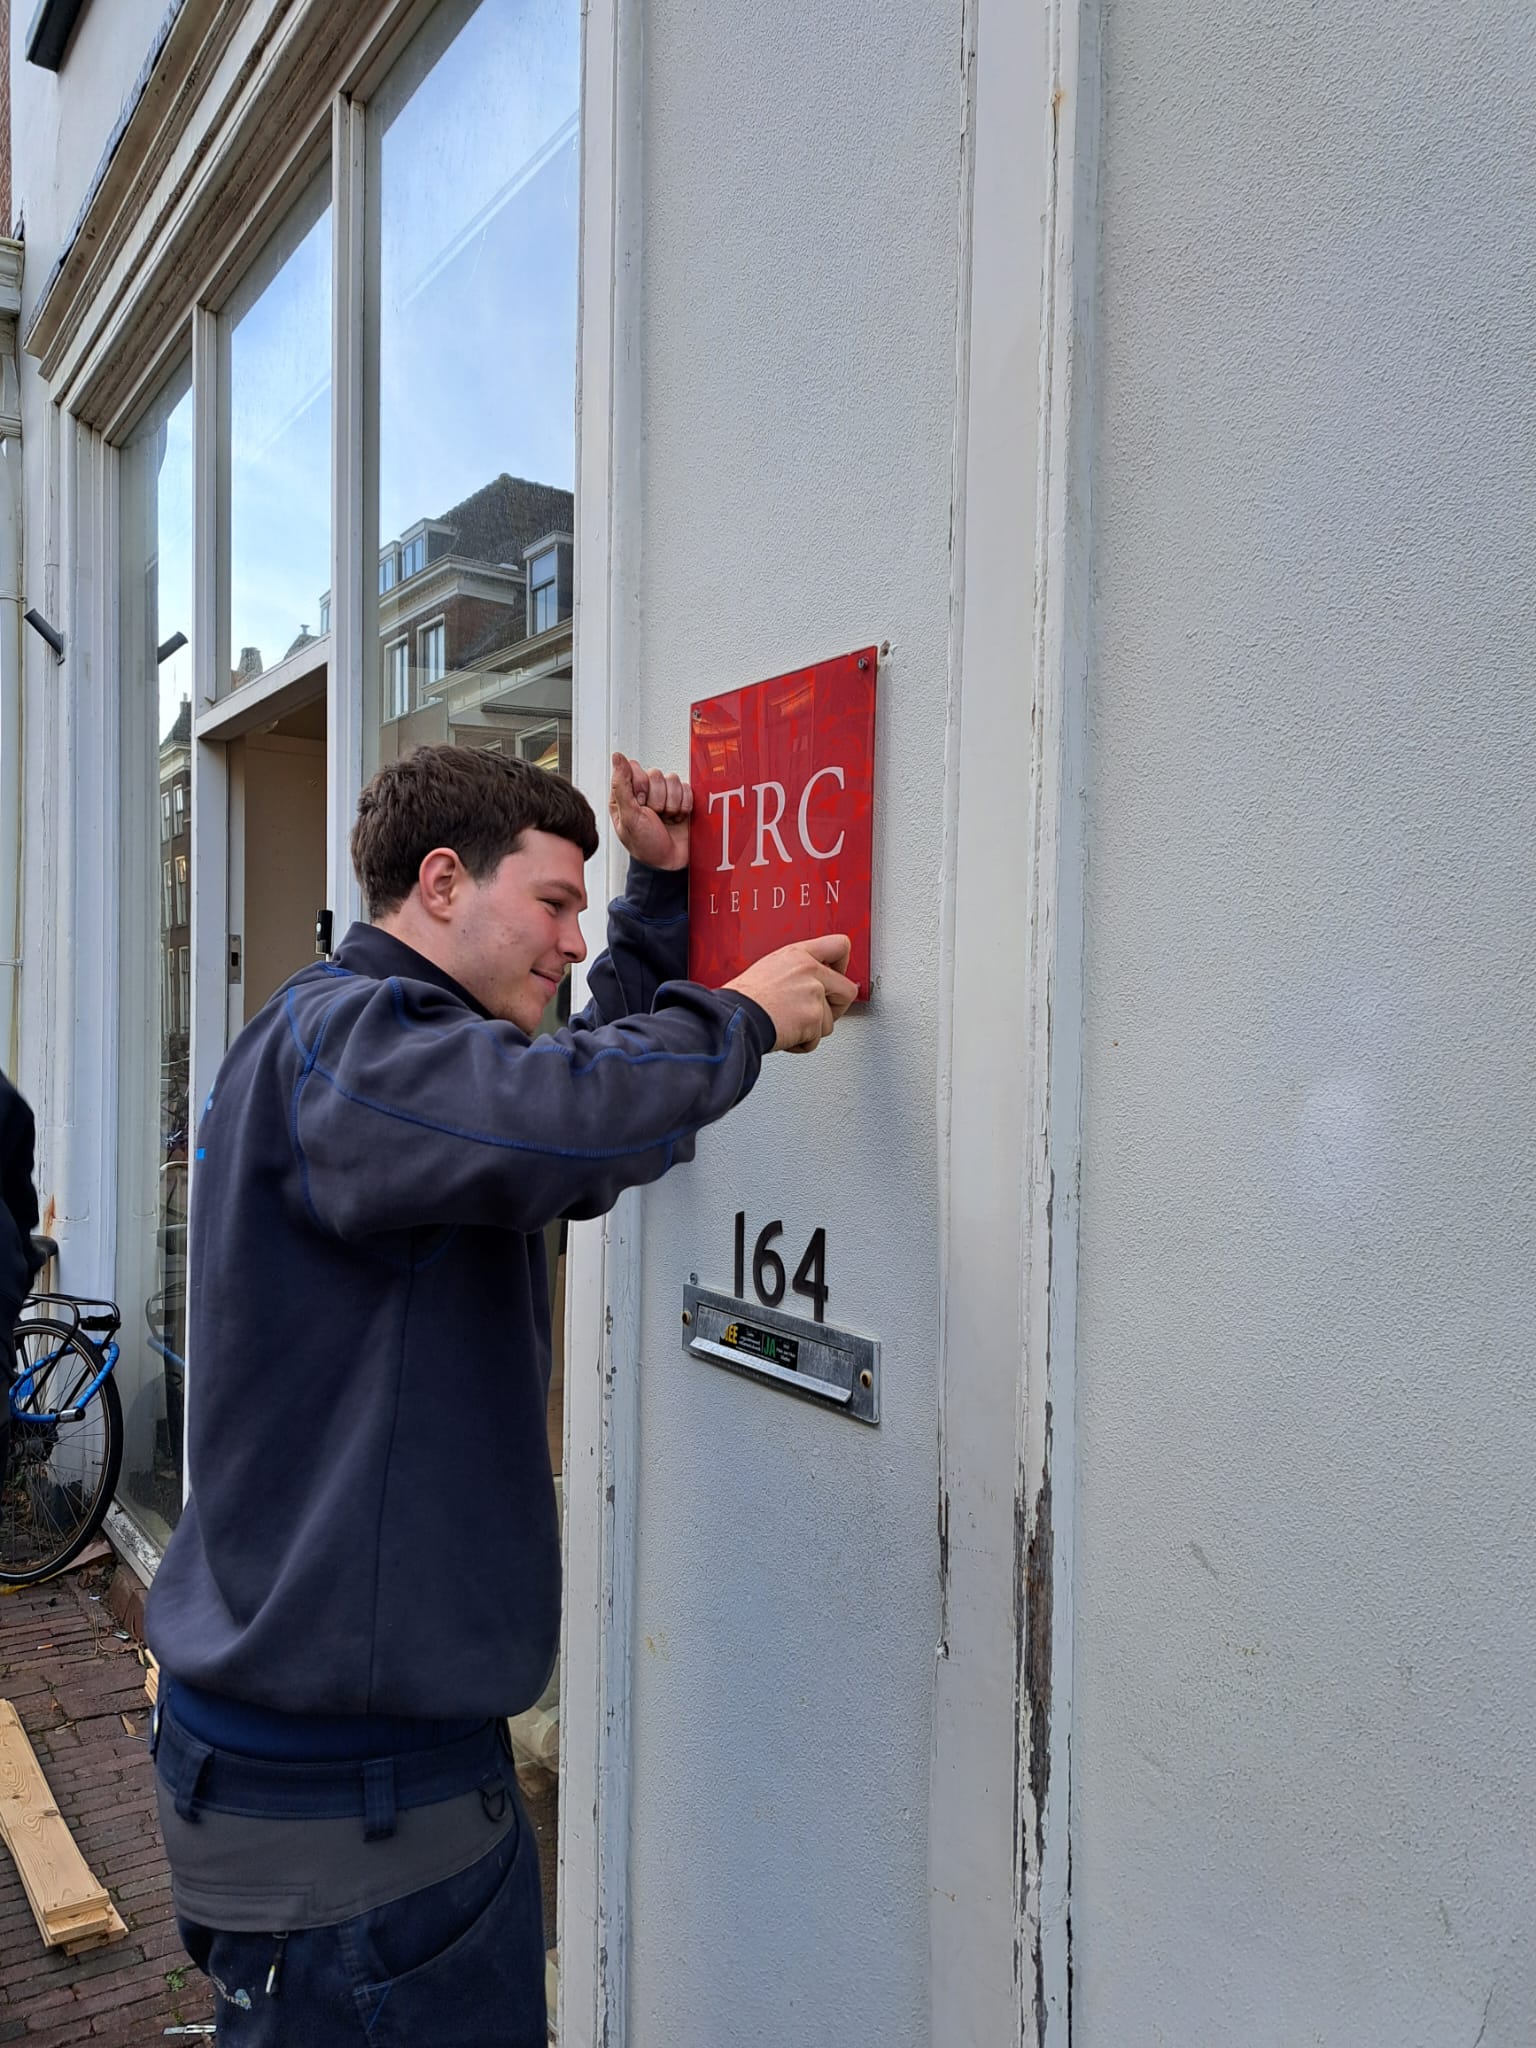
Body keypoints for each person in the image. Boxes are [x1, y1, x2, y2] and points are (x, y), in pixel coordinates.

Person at [144, 743, 855, 2045]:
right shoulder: (352, 1044)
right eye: (555, 903)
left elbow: (550, 1100)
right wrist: (740, 1016)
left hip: (337, 1784)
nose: (575, 941)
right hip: (354, 1814)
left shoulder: (384, 1059)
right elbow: (557, 1114)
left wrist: (655, 898)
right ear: (440, 883)